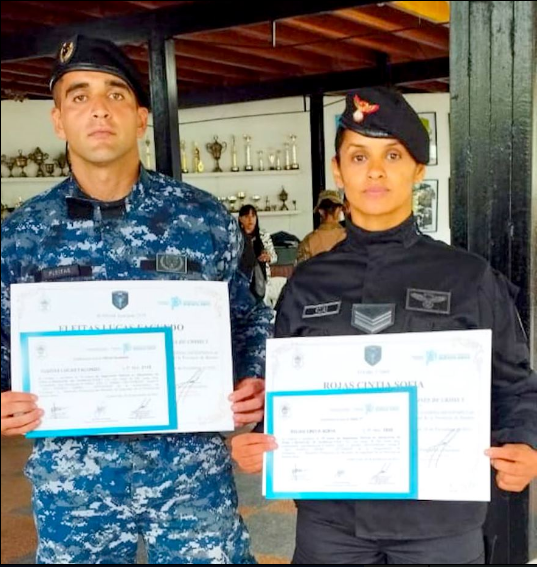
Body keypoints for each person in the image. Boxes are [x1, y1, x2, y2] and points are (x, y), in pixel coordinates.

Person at [231, 86, 537, 564]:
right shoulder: (307, 284)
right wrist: (262, 438)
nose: (375, 170)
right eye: (359, 156)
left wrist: (525, 444)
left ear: (418, 169)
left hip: (440, 523)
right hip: (332, 525)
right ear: (338, 170)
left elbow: (516, 386)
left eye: (392, 155)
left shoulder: (468, 278)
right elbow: (288, 393)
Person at [0, 35, 273, 564]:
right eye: (79, 96)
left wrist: (253, 377)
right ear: (58, 120)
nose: (98, 108)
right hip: (75, 484)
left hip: (192, 476)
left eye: (115, 93)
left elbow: (249, 318)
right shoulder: (22, 235)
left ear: (142, 117)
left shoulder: (202, 219)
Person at [237, 204, 277, 301]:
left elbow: (274, 257)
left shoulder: (263, 235)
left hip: (262, 279)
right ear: (240, 219)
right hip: (242, 279)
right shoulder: (236, 236)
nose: (250, 219)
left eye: (253, 216)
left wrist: (268, 257)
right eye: (247, 216)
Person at [296, 189, 346, 263]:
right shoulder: (351, 238)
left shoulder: (308, 242)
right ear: (339, 210)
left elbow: (300, 268)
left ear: (320, 211)